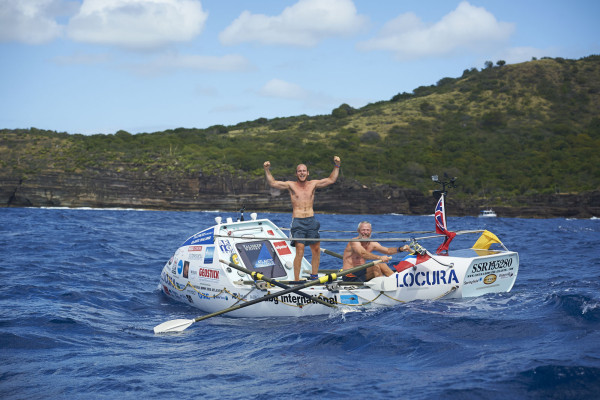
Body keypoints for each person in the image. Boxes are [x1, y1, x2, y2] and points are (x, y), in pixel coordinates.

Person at [263, 156, 341, 281]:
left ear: (308, 173)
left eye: (304, 171)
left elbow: (331, 180)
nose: (302, 173)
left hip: (311, 220)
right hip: (298, 221)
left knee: (316, 249)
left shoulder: (313, 184)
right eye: (299, 171)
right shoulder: (291, 185)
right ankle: (296, 280)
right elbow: (273, 183)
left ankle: (314, 276)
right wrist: (267, 170)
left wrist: (337, 165)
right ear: (296, 173)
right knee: (300, 250)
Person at [342, 221, 411, 281]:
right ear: (358, 231)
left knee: (382, 264)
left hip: (362, 274)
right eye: (363, 230)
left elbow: (388, 250)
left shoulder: (372, 244)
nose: (365, 232)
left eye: (368, 230)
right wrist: (379, 258)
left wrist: (401, 249)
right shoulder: (354, 242)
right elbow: (363, 253)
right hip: (349, 275)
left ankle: (398, 283)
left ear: (371, 231)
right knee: (376, 266)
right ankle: (384, 288)